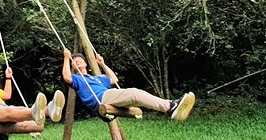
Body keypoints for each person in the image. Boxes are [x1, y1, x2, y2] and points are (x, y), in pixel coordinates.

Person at [61, 48, 195, 121]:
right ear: (72, 66)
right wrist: (67, 58)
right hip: (101, 99)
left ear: (86, 64)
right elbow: (66, 77)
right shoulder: (76, 78)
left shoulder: (97, 78)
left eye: (80, 59)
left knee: (136, 95)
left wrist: (102, 64)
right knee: (134, 94)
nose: (77, 61)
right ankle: (170, 106)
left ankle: (170, 106)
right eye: (75, 61)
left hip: (108, 96)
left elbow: (114, 79)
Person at [0, 60, 66, 127]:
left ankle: (49, 110)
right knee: (9, 111)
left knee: (19, 109)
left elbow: (7, 95)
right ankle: (36, 111)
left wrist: (8, 78)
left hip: (2, 107)